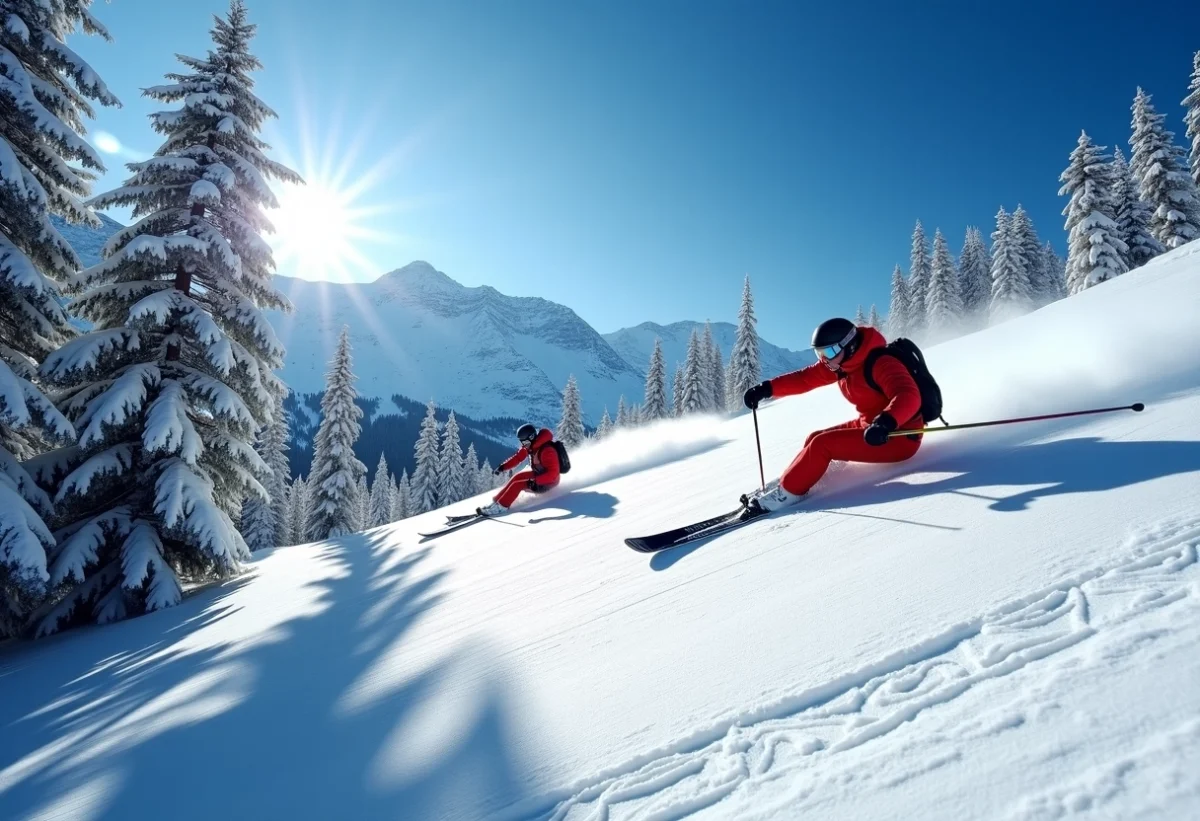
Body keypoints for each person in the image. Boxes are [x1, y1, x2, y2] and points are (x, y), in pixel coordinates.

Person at [740, 317, 924, 512]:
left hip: (898, 436)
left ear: (850, 345)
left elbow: (908, 396)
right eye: (819, 353)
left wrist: (887, 422)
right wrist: (767, 389)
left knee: (822, 445)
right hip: (871, 426)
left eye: (829, 351)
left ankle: (787, 493)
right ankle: (799, 479)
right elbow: (805, 379)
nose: (824, 359)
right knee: (814, 437)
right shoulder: (841, 364)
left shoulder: (881, 363)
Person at [477, 423, 561, 516]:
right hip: (539, 475)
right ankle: (496, 502)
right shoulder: (531, 446)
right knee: (517, 477)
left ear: (532, 437)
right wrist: (503, 467)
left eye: (524, 442)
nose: (523, 445)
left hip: (548, 482)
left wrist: (536, 481)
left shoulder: (547, 451)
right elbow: (518, 458)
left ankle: (501, 507)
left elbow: (553, 474)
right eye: (522, 442)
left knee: (519, 484)